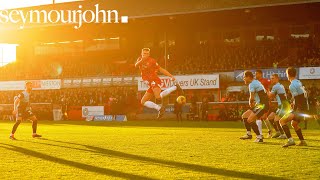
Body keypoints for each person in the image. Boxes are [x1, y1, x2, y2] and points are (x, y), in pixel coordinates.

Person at [135, 48, 182, 119]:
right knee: (143, 101)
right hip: (150, 83)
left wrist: (171, 76)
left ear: (149, 54)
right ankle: (160, 109)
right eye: (144, 53)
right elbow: (136, 65)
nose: (145, 55)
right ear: (141, 54)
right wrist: (142, 60)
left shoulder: (152, 61)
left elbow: (161, 69)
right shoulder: (139, 59)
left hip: (155, 80)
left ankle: (175, 87)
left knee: (157, 97)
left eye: (147, 54)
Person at [280, 67, 308, 147]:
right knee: (294, 124)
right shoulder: (299, 82)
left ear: (288, 75)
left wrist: (294, 109)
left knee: (282, 121)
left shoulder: (292, 85)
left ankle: (290, 140)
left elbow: (297, 98)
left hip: (299, 109)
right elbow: (301, 96)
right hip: (304, 107)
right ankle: (302, 141)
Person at [240, 71, 269, 142]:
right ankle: (248, 134)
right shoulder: (256, 82)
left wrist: (250, 102)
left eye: (244, 77)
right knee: (244, 116)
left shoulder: (252, 84)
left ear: (248, 77)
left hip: (262, 105)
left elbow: (251, 97)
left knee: (250, 120)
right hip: (260, 104)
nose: (243, 79)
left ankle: (259, 137)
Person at [267, 74, 288, 139]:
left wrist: (266, 90)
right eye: (271, 78)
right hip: (281, 105)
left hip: (283, 105)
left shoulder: (276, 86)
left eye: (273, 78)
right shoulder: (280, 85)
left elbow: (270, 96)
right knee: (270, 118)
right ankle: (278, 132)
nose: (271, 80)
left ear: (277, 79)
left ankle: (283, 134)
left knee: (276, 120)